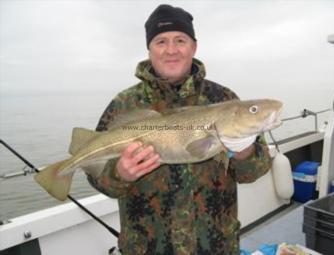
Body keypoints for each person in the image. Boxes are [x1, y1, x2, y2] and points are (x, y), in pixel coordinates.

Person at [87, 4, 272, 255]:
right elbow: (98, 178)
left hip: (216, 246)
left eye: (180, 40)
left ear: (193, 47)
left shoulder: (225, 99)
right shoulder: (123, 105)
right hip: (148, 249)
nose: (171, 50)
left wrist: (243, 151)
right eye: (161, 41)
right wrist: (120, 173)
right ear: (149, 49)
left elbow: (252, 173)